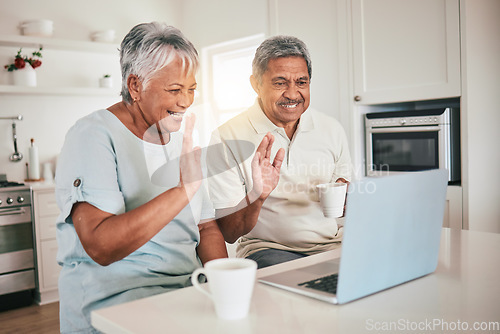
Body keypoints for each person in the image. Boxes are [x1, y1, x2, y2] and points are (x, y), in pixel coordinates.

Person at [55, 22, 227, 333]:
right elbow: (101, 245)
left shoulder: (180, 135)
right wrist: (182, 190)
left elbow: (206, 226)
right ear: (135, 86)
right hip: (115, 302)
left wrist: (222, 287)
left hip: (186, 291)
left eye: (191, 89)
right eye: (174, 90)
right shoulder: (92, 135)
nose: (186, 101)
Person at [207, 35, 352, 269]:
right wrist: (258, 195)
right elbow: (229, 232)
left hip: (333, 246)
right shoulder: (226, 138)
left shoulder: (332, 129)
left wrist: (349, 197)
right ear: (256, 84)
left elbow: (345, 195)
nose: (293, 94)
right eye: (280, 82)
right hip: (269, 250)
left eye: (301, 82)